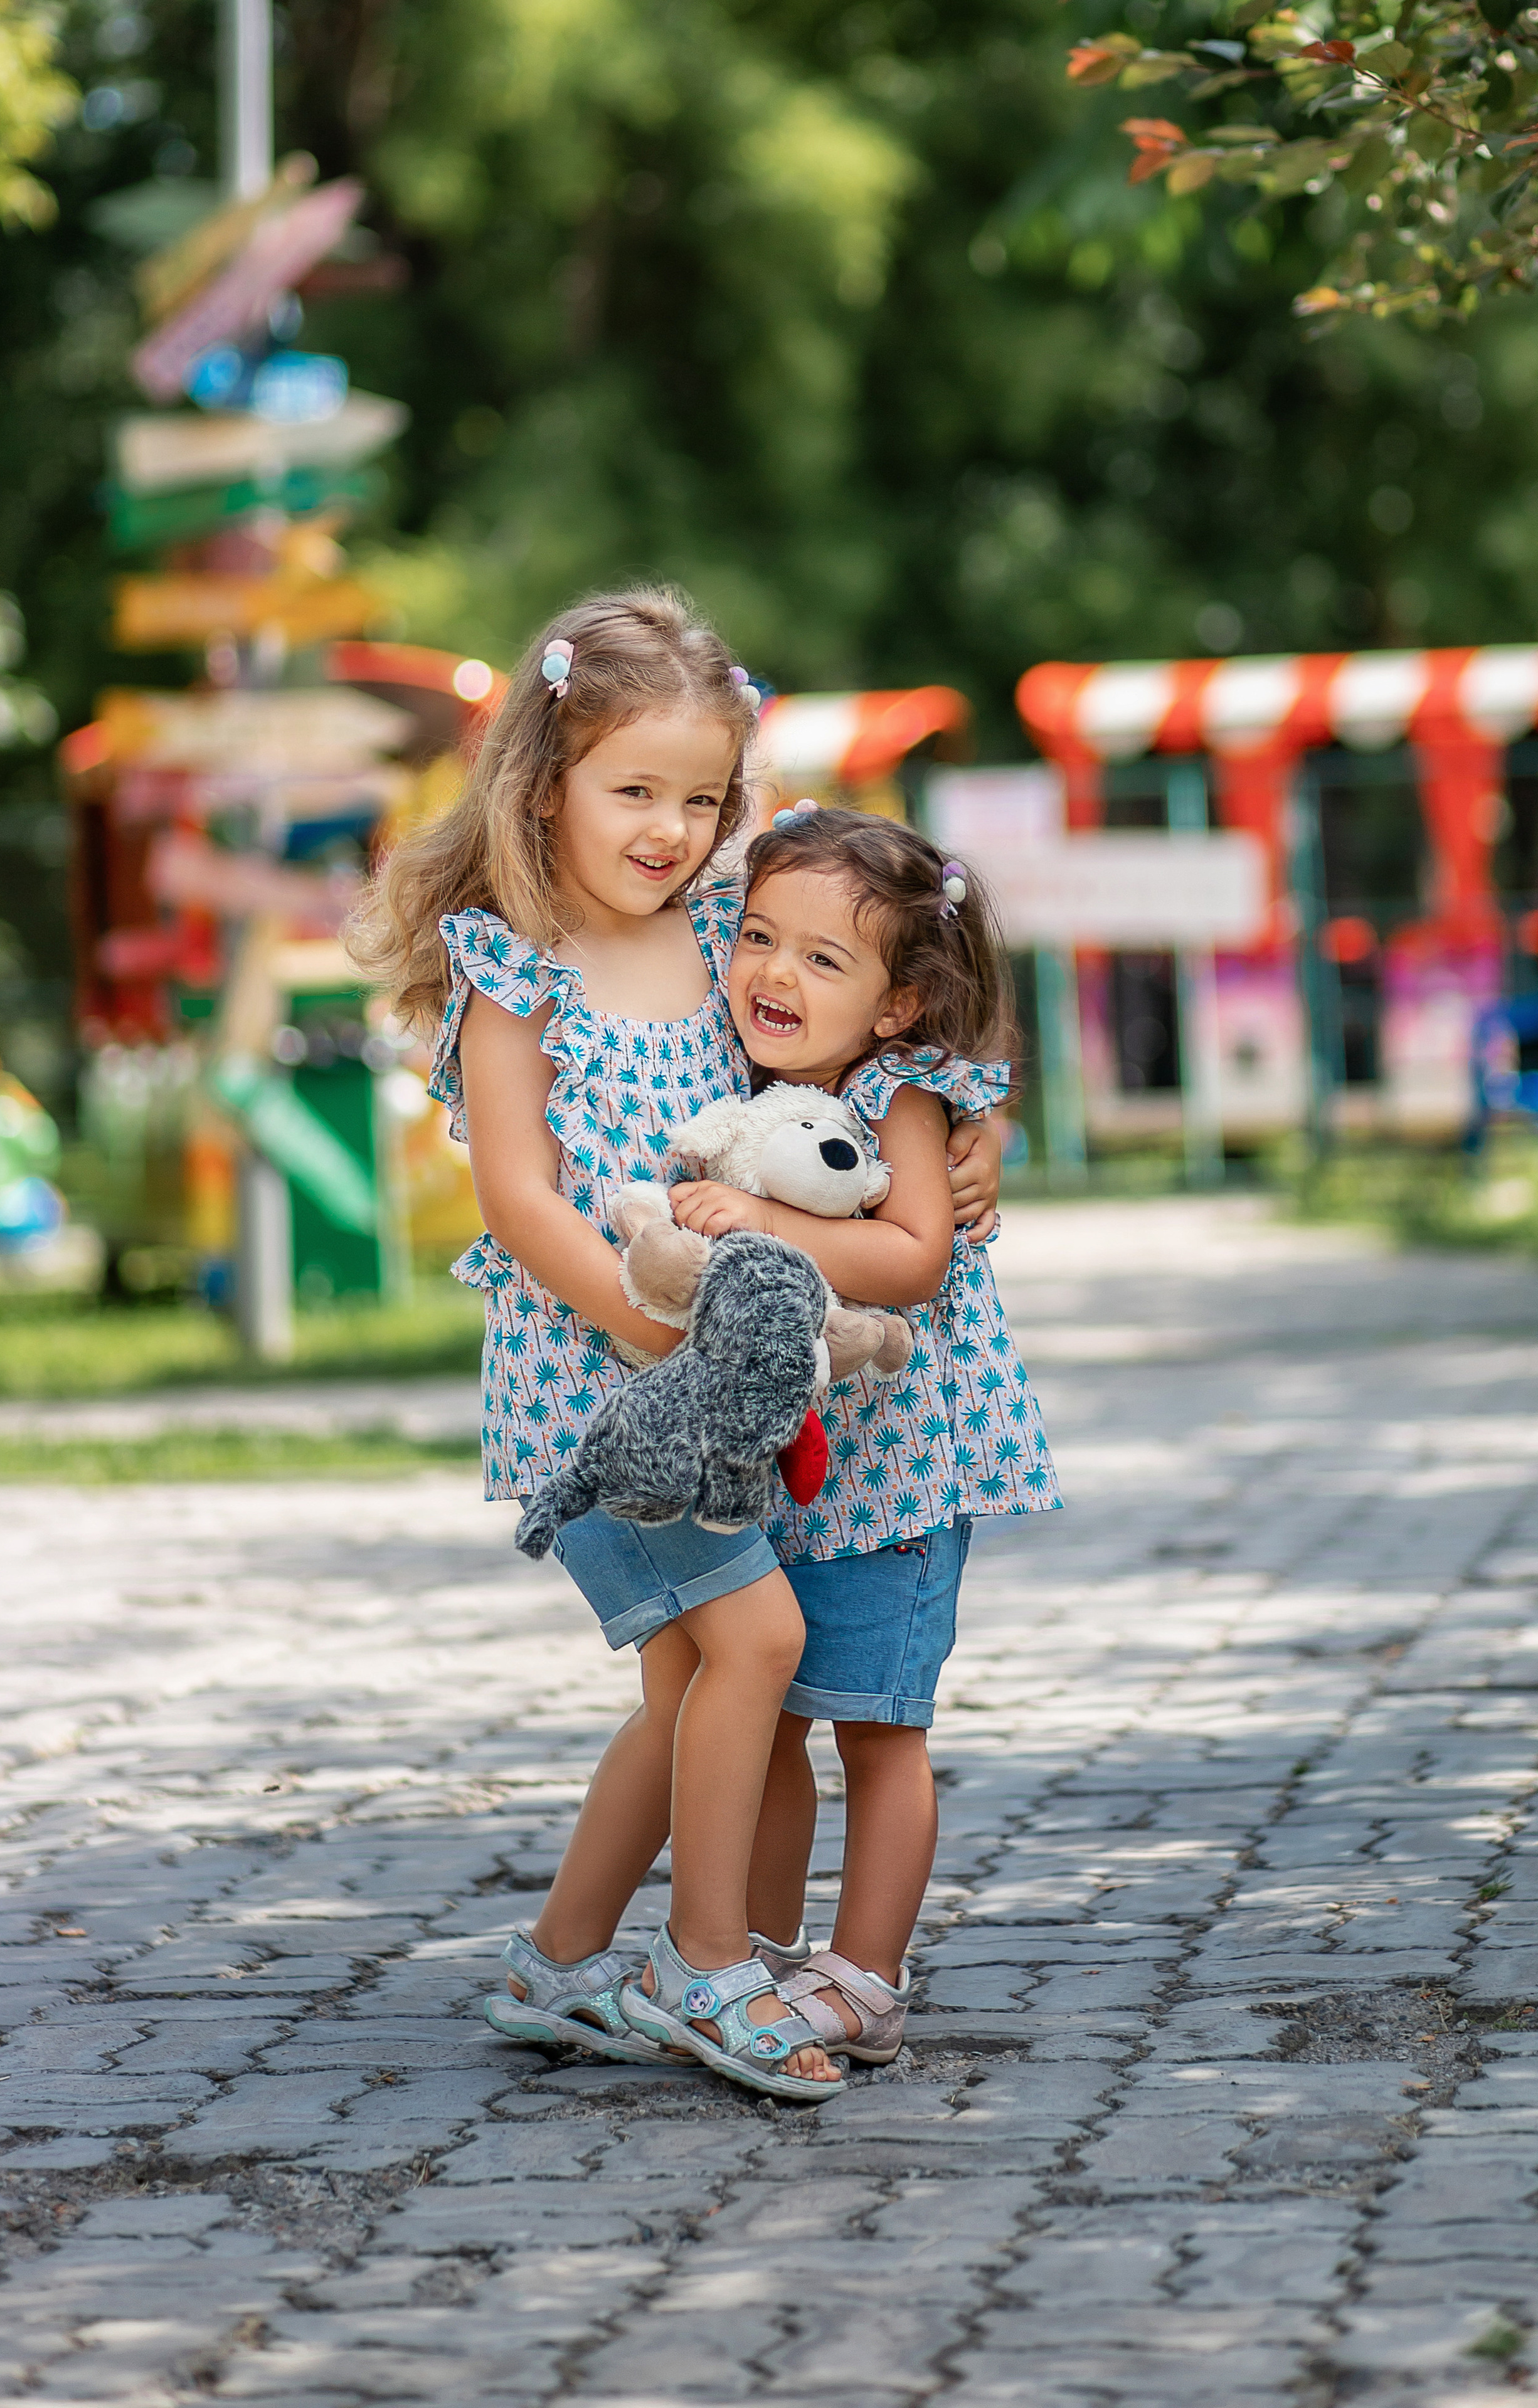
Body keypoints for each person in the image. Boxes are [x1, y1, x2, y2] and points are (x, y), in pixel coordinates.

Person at [351, 588, 1002, 2103]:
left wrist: (979, 1149)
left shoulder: (728, 925)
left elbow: (878, 1033)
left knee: (690, 1693)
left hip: (725, 1395)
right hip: (602, 1392)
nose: (669, 827)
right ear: (543, 782)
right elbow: (517, 1196)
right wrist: (643, 1320)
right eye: (632, 789)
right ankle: (705, 1970)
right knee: (758, 1650)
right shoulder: (514, 963)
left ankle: (563, 1962)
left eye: (700, 797)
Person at [663, 804, 1061, 2066]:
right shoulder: (762, 1084)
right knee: (773, 1713)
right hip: (795, 1473)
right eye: (760, 940)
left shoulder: (899, 1091)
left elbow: (909, 1256)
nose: (775, 974)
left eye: (822, 960)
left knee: (881, 1730)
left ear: (897, 1003)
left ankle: (869, 1977)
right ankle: (759, 1957)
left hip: (898, 1478)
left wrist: (753, 1225)